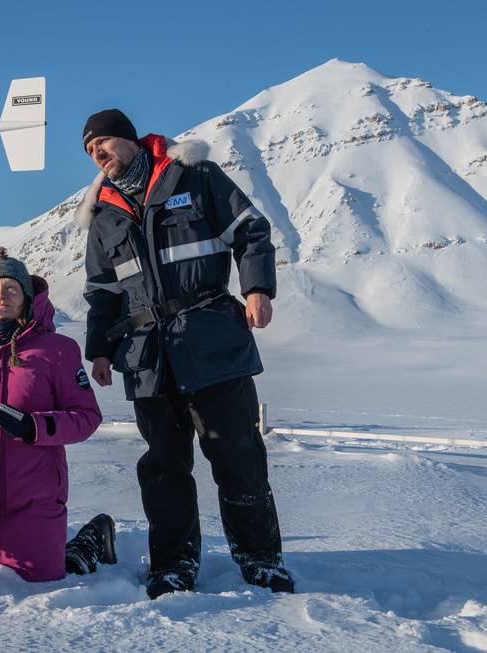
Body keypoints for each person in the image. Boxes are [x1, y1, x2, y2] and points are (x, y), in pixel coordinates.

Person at [76, 108, 295, 598]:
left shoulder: (193, 175)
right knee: (164, 468)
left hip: (211, 339)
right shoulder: (103, 215)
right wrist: (101, 350)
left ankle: (261, 560)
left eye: (103, 144)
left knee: (238, 457)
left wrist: (258, 288)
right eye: (90, 152)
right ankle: (173, 565)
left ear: (130, 140)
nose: (98, 155)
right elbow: (101, 292)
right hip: (148, 358)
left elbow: (251, 231)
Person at [0, 247, 117, 582]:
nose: (0, 295)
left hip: (33, 498)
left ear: (26, 298)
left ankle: (91, 540)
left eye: (10, 288)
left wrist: (35, 427)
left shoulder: (57, 349)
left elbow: (86, 416)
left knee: (45, 577)